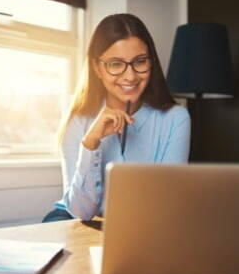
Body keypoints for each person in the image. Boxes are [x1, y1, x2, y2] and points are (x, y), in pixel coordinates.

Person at [42, 13, 191, 222]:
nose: (130, 76)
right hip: (78, 217)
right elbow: (81, 211)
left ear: (152, 62)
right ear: (98, 68)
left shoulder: (176, 118)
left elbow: (168, 201)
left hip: (144, 222)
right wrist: (91, 143)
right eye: (115, 64)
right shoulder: (78, 119)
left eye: (140, 61)